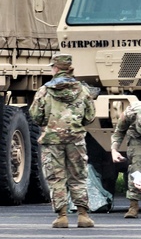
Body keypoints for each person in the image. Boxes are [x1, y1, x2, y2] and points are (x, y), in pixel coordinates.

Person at [29, 53, 97, 228]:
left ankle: (62, 216)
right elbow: (90, 116)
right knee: (78, 177)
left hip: (52, 140)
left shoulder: (45, 90)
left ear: (56, 68)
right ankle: (83, 215)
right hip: (76, 139)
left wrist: (50, 123)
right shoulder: (82, 89)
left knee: (56, 177)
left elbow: (36, 116)